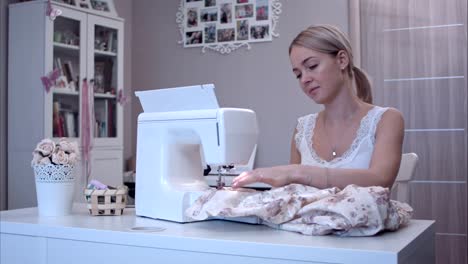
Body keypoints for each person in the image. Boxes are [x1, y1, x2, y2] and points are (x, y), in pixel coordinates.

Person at [232, 25, 404, 190]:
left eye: (312, 66)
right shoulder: (302, 129)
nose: (304, 79)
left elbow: (380, 180)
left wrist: (299, 172)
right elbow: (295, 192)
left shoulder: (386, 119)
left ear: (342, 60)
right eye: (298, 74)